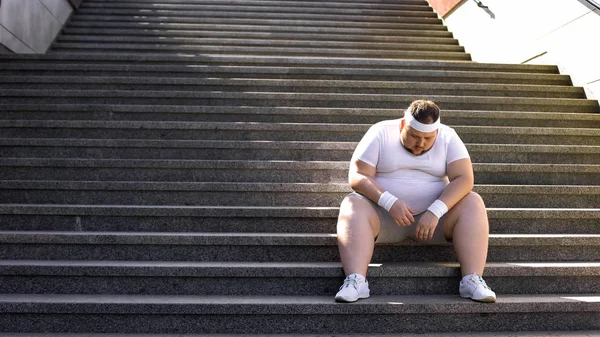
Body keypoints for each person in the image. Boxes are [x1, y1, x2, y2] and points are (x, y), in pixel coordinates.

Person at [334, 99, 496, 303]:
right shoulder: (380, 131)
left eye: (428, 138)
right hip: (383, 218)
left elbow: (465, 179)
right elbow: (358, 176)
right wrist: (389, 202)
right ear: (403, 125)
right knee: (352, 203)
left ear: (436, 132)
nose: (420, 143)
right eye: (414, 136)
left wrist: (435, 210)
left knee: (473, 201)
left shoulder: (448, 136)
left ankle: (472, 279)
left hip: (434, 223)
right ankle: (355, 280)